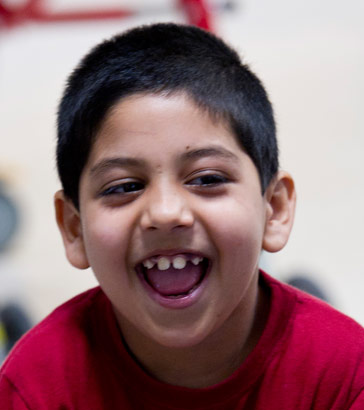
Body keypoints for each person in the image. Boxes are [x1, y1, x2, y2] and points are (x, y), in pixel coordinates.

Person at [0, 23, 363, 409]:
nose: (165, 212)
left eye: (207, 179)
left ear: (274, 209)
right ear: (74, 229)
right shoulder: (33, 389)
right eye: (124, 187)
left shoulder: (346, 378)